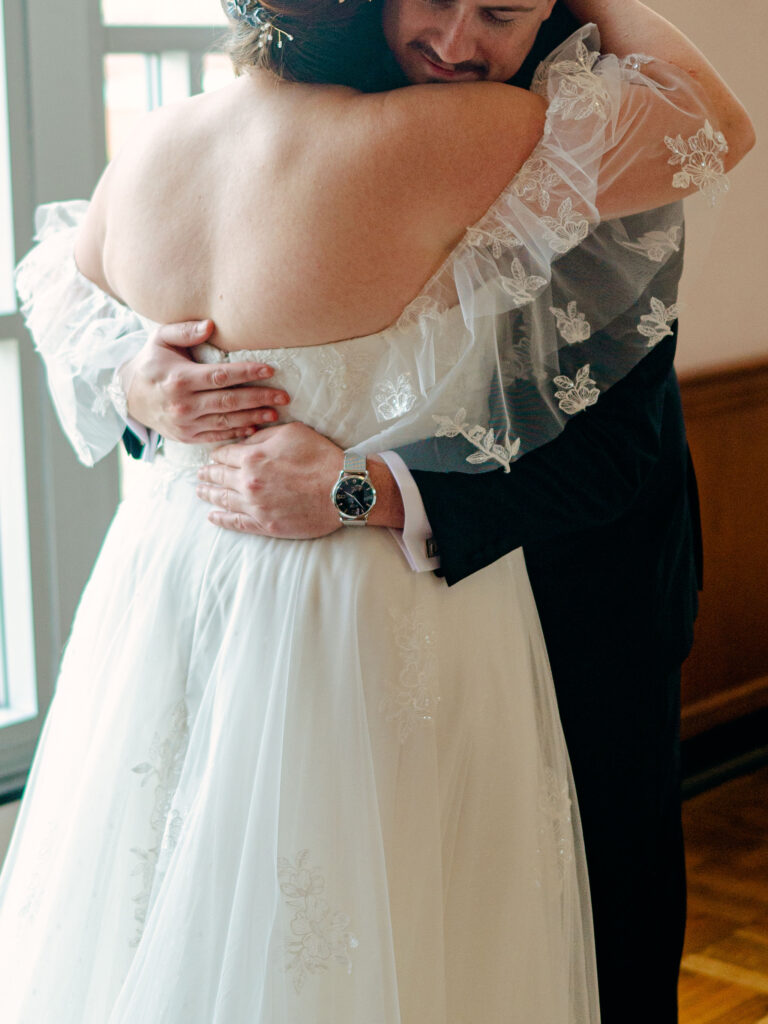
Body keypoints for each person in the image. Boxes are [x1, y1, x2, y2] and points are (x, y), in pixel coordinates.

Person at [1, 1, 754, 1022]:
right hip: (371, 625)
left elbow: (54, 292)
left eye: (499, 10)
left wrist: (146, 384)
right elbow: (712, 120)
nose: (454, 42)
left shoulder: (163, 141)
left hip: (515, 603)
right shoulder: (475, 138)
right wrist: (140, 384)